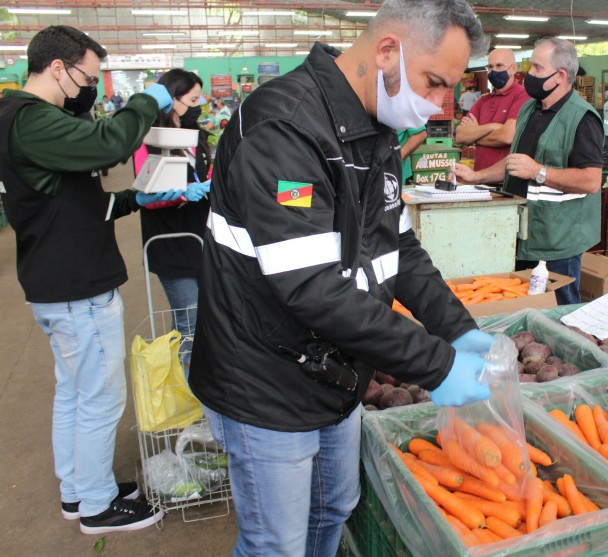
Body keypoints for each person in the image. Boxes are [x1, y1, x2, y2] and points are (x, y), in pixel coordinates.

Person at [188, 1, 492, 555]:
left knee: (331, 510)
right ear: (386, 51)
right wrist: (436, 365)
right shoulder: (284, 128)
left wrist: (459, 329)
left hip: (336, 373)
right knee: (275, 543)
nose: (439, 104)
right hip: (266, 383)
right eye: (432, 82)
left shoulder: (376, 129)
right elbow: (312, 286)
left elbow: (398, 247)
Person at [0, 25, 183, 534]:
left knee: (76, 393)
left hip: (58, 281)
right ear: (58, 68)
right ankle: (99, 506)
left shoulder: (35, 123)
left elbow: (75, 201)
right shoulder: (30, 120)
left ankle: (79, 490)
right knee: (101, 398)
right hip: (76, 286)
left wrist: (134, 200)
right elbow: (110, 142)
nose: (91, 88)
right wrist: (146, 100)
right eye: (88, 76)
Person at [453, 38, 604, 306]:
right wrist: (477, 177)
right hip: (523, 233)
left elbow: (591, 181)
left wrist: (539, 171)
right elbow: (516, 162)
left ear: (559, 75)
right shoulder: (529, 110)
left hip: (558, 240)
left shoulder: (582, 118)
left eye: (536, 68)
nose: (528, 76)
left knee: (558, 310)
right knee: (524, 306)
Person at [135, 69, 211, 364]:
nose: (199, 104)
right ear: (171, 99)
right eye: (193, 99)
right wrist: (181, 192)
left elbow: (201, 175)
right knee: (189, 323)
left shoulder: (196, 138)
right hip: (170, 243)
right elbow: (145, 194)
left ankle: (191, 384)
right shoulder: (148, 140)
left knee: (200, 320)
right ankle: (192, 399)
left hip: (200, 239)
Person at [455, 48, 529, 177]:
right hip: (480, 180)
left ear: (513, 68)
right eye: (490, 66)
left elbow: (507, 136)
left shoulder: (522, 96)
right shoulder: (483, 100)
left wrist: (475, 136)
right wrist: (492, 127)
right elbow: (460, 136)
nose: (493, 70)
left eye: (499, 65)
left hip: (506, 182)